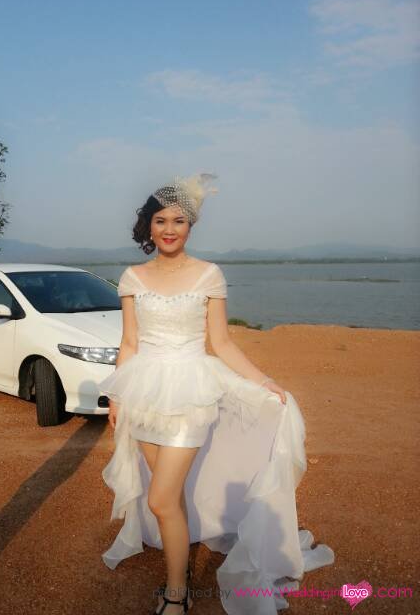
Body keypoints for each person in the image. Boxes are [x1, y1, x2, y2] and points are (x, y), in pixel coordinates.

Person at [98, 174, 334, 615]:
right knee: (168, 497)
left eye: (179, 221)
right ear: (149, 226)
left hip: (191, 392)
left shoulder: (209, 274)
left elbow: (221, 343)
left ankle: (176, 593)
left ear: (191, 226)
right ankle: (180, 570)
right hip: (143, 392)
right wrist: (117, 397)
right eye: (161, 220)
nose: (170, 229)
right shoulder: (132, 277)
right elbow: (128, 342)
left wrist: (264, 381)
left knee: (159, 498)